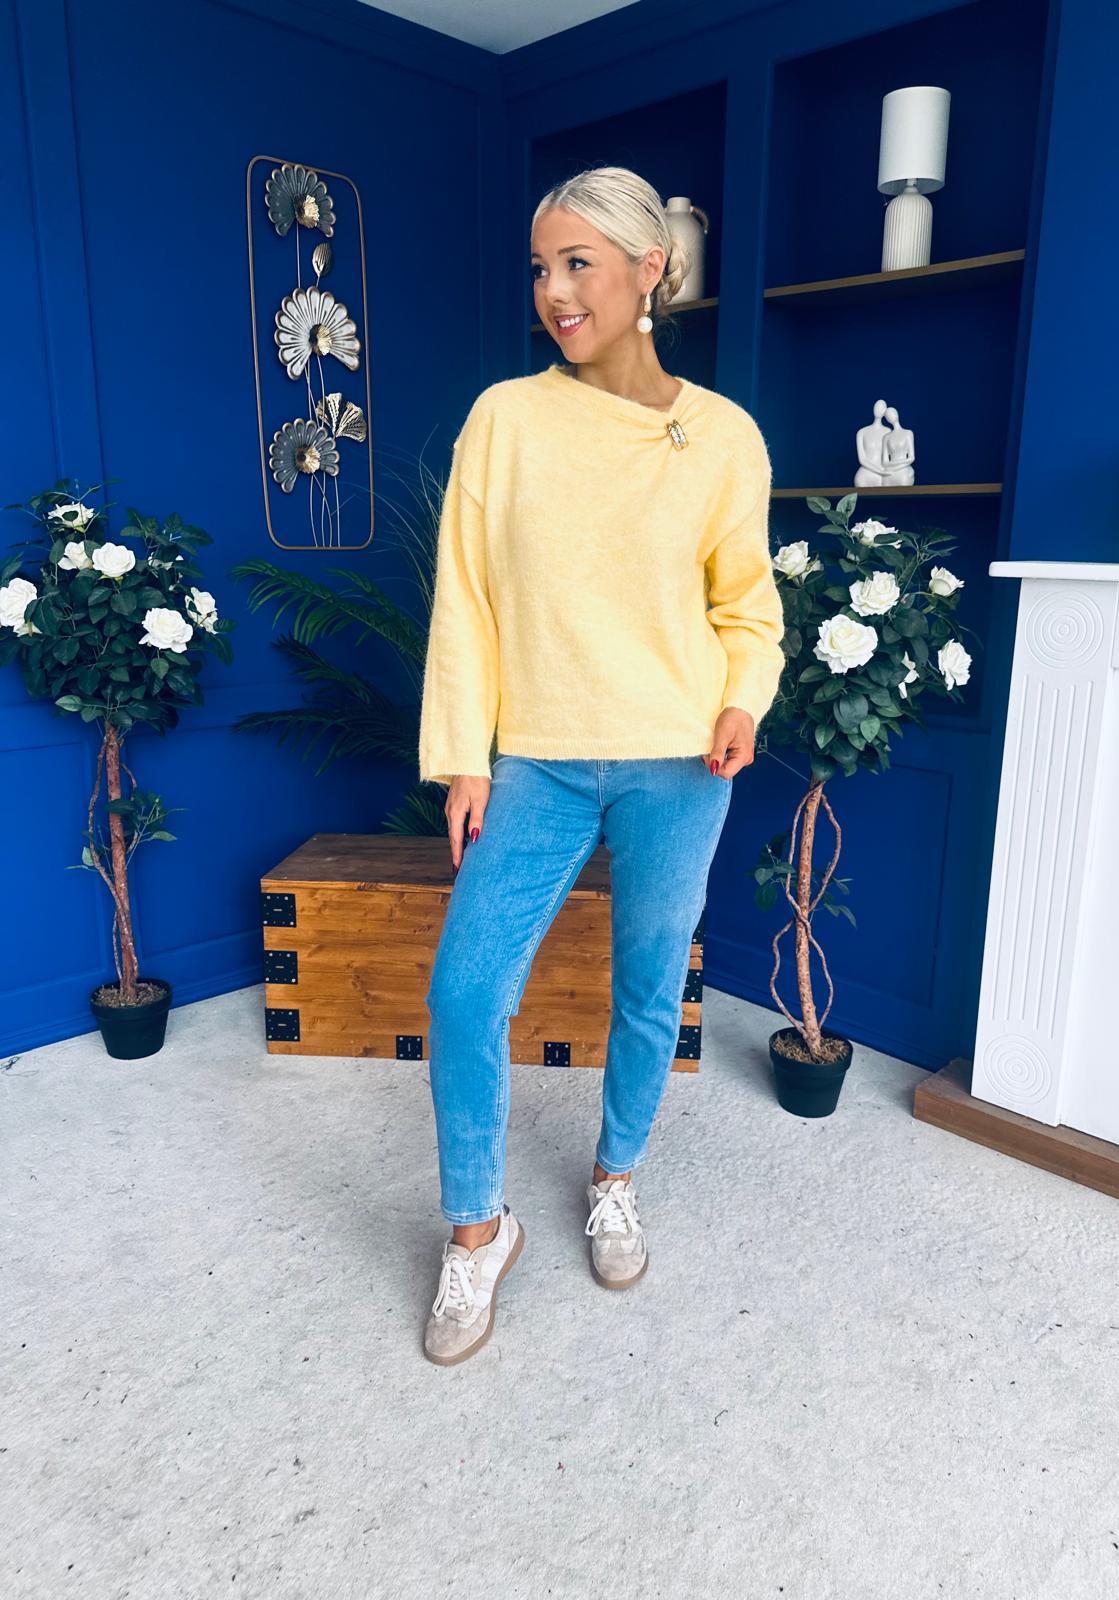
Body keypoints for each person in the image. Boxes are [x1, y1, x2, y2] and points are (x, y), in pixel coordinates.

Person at [417, 164, 786, 1366]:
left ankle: (615, 1177)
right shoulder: (505, 419)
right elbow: (466, 598)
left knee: (648, 986)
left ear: (650, 270)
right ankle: (478, 1231)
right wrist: (463, 756)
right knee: (465, 990)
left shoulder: (722, 436)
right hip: (539, 756)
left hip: (680, 761)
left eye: (579, 263)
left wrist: (742, 699)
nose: (555, 291)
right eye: (542, 267)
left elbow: (749, 607)